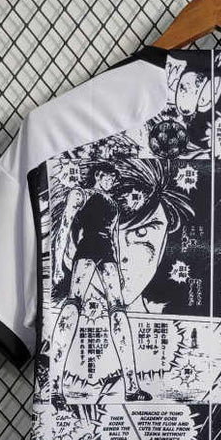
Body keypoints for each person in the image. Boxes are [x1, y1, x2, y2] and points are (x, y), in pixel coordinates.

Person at [50, 162, 150, 406]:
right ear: (98, 175)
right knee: (73, 304)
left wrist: (120, 271)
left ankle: (132, 388)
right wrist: (56, 266)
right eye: (109, 176)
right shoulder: (80, 194)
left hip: (107, 255)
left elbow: (114, 239)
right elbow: (64, 228)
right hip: (87, 250)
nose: (112, 181)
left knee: (118, 310)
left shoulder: (113, 204)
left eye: (114, 178)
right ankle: (55, 388)